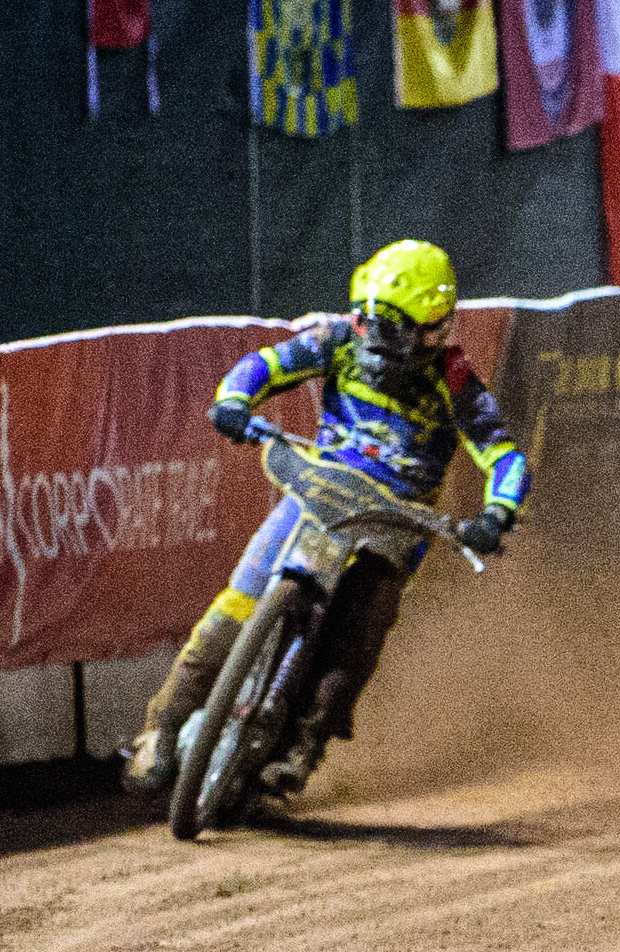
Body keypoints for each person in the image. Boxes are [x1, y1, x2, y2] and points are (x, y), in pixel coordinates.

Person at [124, 239, 530, 796]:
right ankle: (160, 732)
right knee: (236, 603)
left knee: (358, 632)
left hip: (397, 519)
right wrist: (234, 403)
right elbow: (265, 365)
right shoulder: (338, 339)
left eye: (431, 329)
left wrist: (497, 513)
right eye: (374, 323)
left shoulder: (455, 381)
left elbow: (503, 455)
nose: (434, 340)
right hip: (318, 488)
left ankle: (304, 747)